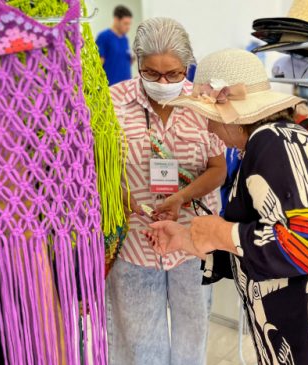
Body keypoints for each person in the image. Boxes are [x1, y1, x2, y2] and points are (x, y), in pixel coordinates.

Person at [148, 49, 308, 365]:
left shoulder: (272, 141)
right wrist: (188, 239)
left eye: (209, 117)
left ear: (230, 111)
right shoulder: (275, 142)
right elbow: (264, 243)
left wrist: (220, 232)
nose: (208, 128)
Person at [106, 18, 227, 365]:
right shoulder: (113, 104)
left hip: (193, 241)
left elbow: (218, 169)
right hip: (135, 243)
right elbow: (100, 169)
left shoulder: (204, 105)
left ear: (188, 65)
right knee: (140, 343)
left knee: (193, 336)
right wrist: (120, 197)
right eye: (151, 73)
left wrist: (180, 198)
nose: (162, 82)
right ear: (137, 64)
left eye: (173, 74)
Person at [96, 5, 133, 85]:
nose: (128, 27)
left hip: (126, 87)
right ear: (116, 20)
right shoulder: (104, 37)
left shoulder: (125, 39)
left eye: (129, 24)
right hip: (111, 87)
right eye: (125, 23)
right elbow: (98, 64)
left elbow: (126, 62)